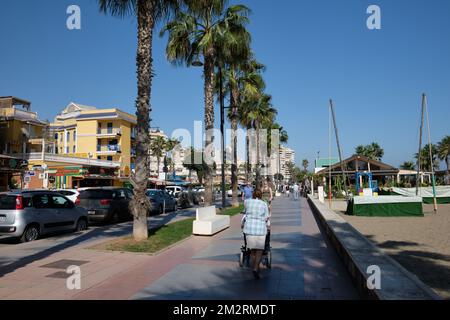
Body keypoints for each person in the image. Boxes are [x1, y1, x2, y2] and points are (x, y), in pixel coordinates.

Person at [241, 189, 270, 279]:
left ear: (253, 194)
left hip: (249, 228)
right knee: (259, 250)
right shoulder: (264, 204)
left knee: (252, 250)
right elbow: (266, 217)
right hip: (260, 229)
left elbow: (245, 212)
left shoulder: (247, 202)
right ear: (261, 195)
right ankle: (256, 268)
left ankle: (254, 266)